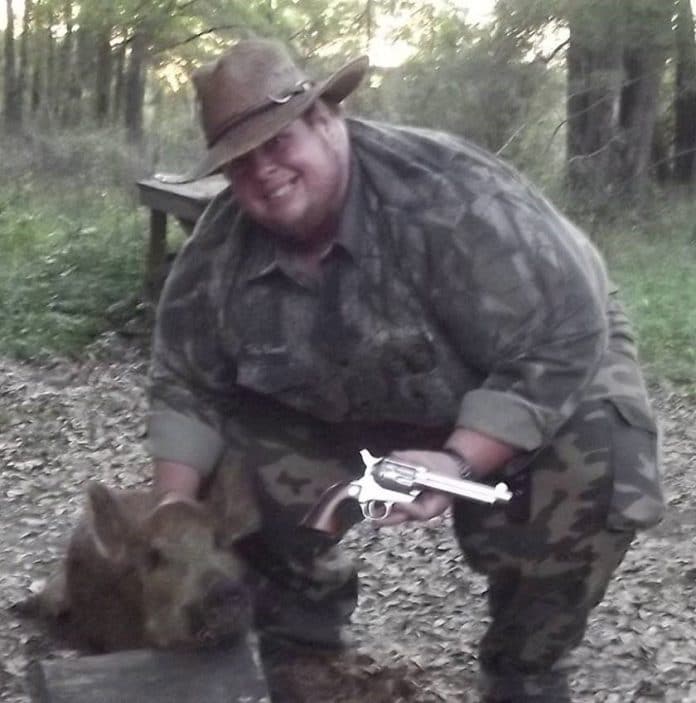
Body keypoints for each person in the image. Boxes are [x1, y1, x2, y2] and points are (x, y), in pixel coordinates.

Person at [148, 38, 664, 703]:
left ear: (327, 120)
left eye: (278, 143)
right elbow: (186, 381)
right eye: (240, 162)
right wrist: (173, 511)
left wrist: (460, 460)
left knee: (597, 460)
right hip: (356, 384)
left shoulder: (452, 199)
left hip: (538, 350)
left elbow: (565, 333)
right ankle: (305, 652)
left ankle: (524, 669)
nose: (263, 172)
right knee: (232, 461)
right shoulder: (219, 251)